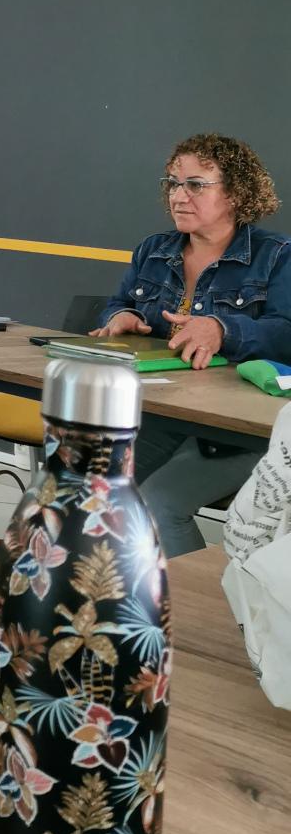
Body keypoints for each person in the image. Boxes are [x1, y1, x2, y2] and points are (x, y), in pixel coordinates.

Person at [93, 132, 291, 556]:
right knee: (89, 491)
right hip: (164, 417)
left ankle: (201, 599)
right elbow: (117, 304)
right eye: (173, 183)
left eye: (196, 185)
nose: (178, 196)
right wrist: (119, 317)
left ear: (236, 193)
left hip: (242, 431)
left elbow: (286, 332)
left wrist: (221, 328)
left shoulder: (278, 256)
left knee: (158, 505)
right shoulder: (153, 250)